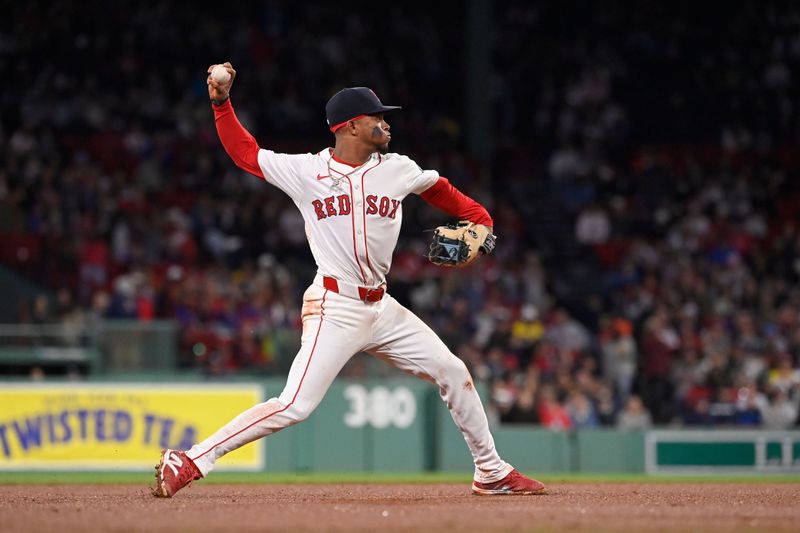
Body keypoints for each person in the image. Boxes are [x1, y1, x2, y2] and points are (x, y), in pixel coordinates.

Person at [153, 62, 545, 497]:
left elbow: (442, 191)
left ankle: (490, 471)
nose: (386, 123)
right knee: (294, 405)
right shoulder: (306, 172)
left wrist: (482, 222)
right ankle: (191, 459)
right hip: (335, 306)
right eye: (377, 117)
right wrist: (221, 103)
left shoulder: (396, 168)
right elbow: (245, 153)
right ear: (352, 126)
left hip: (382, 308)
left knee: (454, 371)